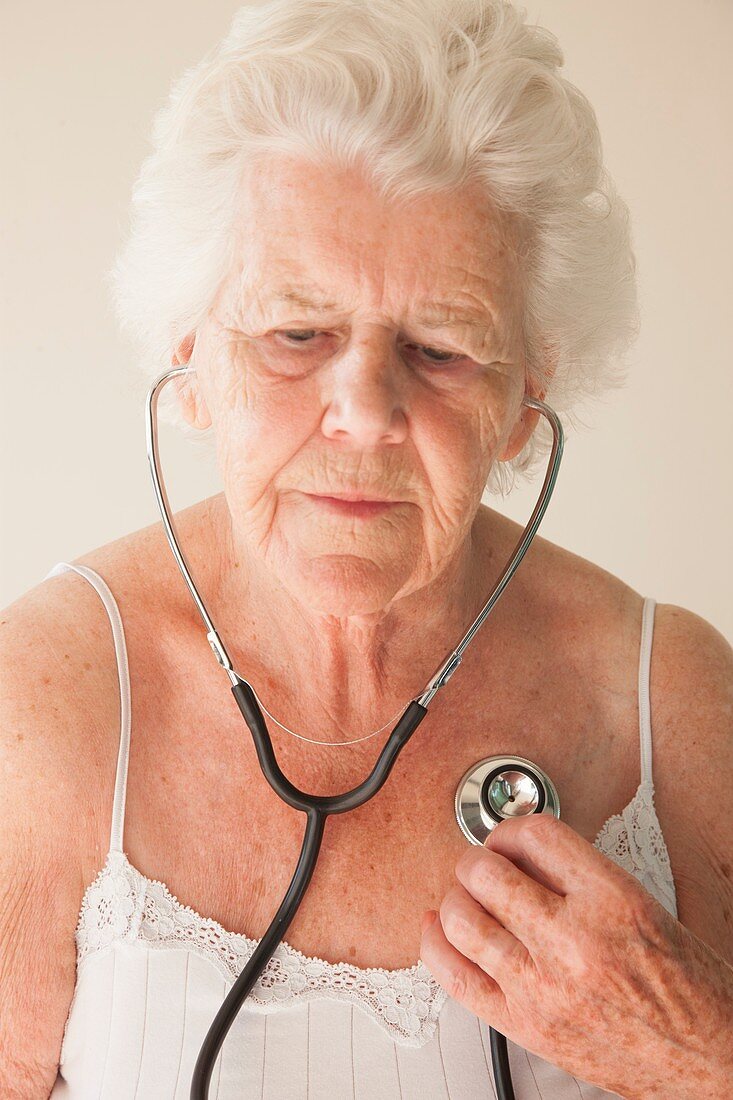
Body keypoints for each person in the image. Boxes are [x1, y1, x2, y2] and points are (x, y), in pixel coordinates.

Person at [2, 1, 732, 1097]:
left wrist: (700, 1052)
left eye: (440, 349)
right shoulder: (44, 701)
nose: (364, 412)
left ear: (529, 396)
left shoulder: (668, 697)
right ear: (191, 356)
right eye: (296, 332)